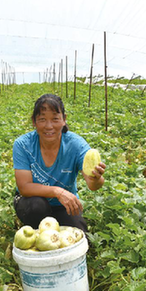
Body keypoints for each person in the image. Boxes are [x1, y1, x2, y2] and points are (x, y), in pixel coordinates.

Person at [13, 94, 106, 232]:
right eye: (42, 119)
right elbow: (24, 187)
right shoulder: (23, 144)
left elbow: (92, 185)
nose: (49, 126)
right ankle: (32, 227)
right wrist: (58, 192)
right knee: (37, 207)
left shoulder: (76, 145)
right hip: (31, 201)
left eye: (55, 119)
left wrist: (96, 178)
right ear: (34, 122)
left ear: (64, 120)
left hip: (64, 204)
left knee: (79, 235)